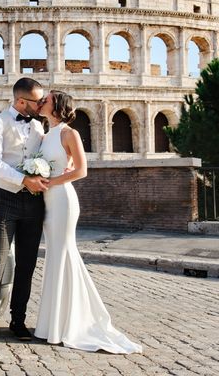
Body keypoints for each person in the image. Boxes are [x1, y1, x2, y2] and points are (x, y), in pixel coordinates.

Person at [34, 90, 142, 353]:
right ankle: (52, 324)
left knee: (63, 253)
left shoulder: (69, 133)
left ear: (57, 106)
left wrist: (51, 181)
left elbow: (82, 170)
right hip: (49, 199)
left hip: (62, 199)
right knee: (54, 256)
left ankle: (69, 324)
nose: (40, 102)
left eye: (45, 99)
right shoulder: (45, 134)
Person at [0, 77, 49, 345]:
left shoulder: (40, 126)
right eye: (38, 101)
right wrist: (23, 180)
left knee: (27, 265)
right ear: (21, 101)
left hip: (34, 203)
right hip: (5, 199)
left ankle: (19, 321)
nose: (41, 105)